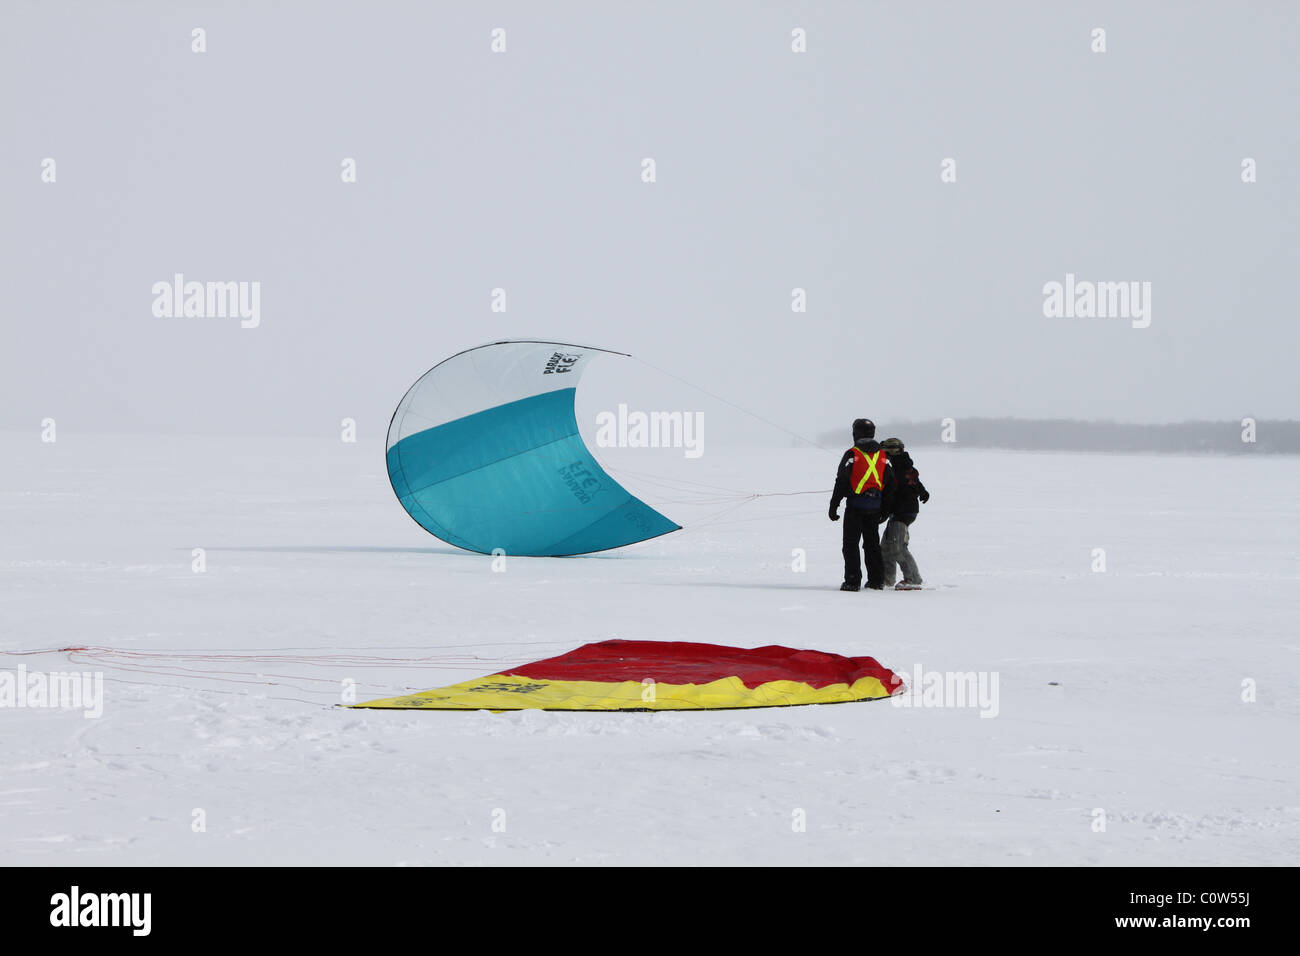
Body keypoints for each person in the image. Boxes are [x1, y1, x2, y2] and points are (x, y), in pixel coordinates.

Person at [828, 419, 895, 591]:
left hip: (855, 508)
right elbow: (891, 484)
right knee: (872, 544)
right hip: (874, 508)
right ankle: (876, 580)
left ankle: (852, 581)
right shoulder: (883, 455)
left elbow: (841, 481)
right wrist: (885, 510)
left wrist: (833, 505)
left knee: (851, 544)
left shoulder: (852, 453)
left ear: (855, 433)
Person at [879, 437, 930, 589]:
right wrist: (923, 492)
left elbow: (894, 491)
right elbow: (914, 481)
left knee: (897, 546)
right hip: (900, 511)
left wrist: (883, 511)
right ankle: (887, 579)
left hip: (904, 512)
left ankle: (913, 579)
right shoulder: (902, 466)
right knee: (886, 547)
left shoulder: (897, 468)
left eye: (885, 452)